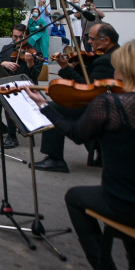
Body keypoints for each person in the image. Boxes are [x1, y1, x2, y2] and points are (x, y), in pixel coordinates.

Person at [26, 40, 135, 270]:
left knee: (76, 197)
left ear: (128, 70)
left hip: (132, 209)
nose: (114, 72)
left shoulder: (111, 105)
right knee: (132, 195)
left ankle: (104, 266)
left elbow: (76, 134)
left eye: (117, 67)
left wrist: (44, 106)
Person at [35, 22, 119, 173]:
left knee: (53, 107)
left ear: (106, 40)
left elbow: (86, 90)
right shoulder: (116, 53)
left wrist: (66, 68)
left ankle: (55, 159)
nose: (89, 42)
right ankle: (100, 154)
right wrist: (77, 68)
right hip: (111, 103)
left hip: (102, 108)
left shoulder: (105, 61)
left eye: (92, 39)